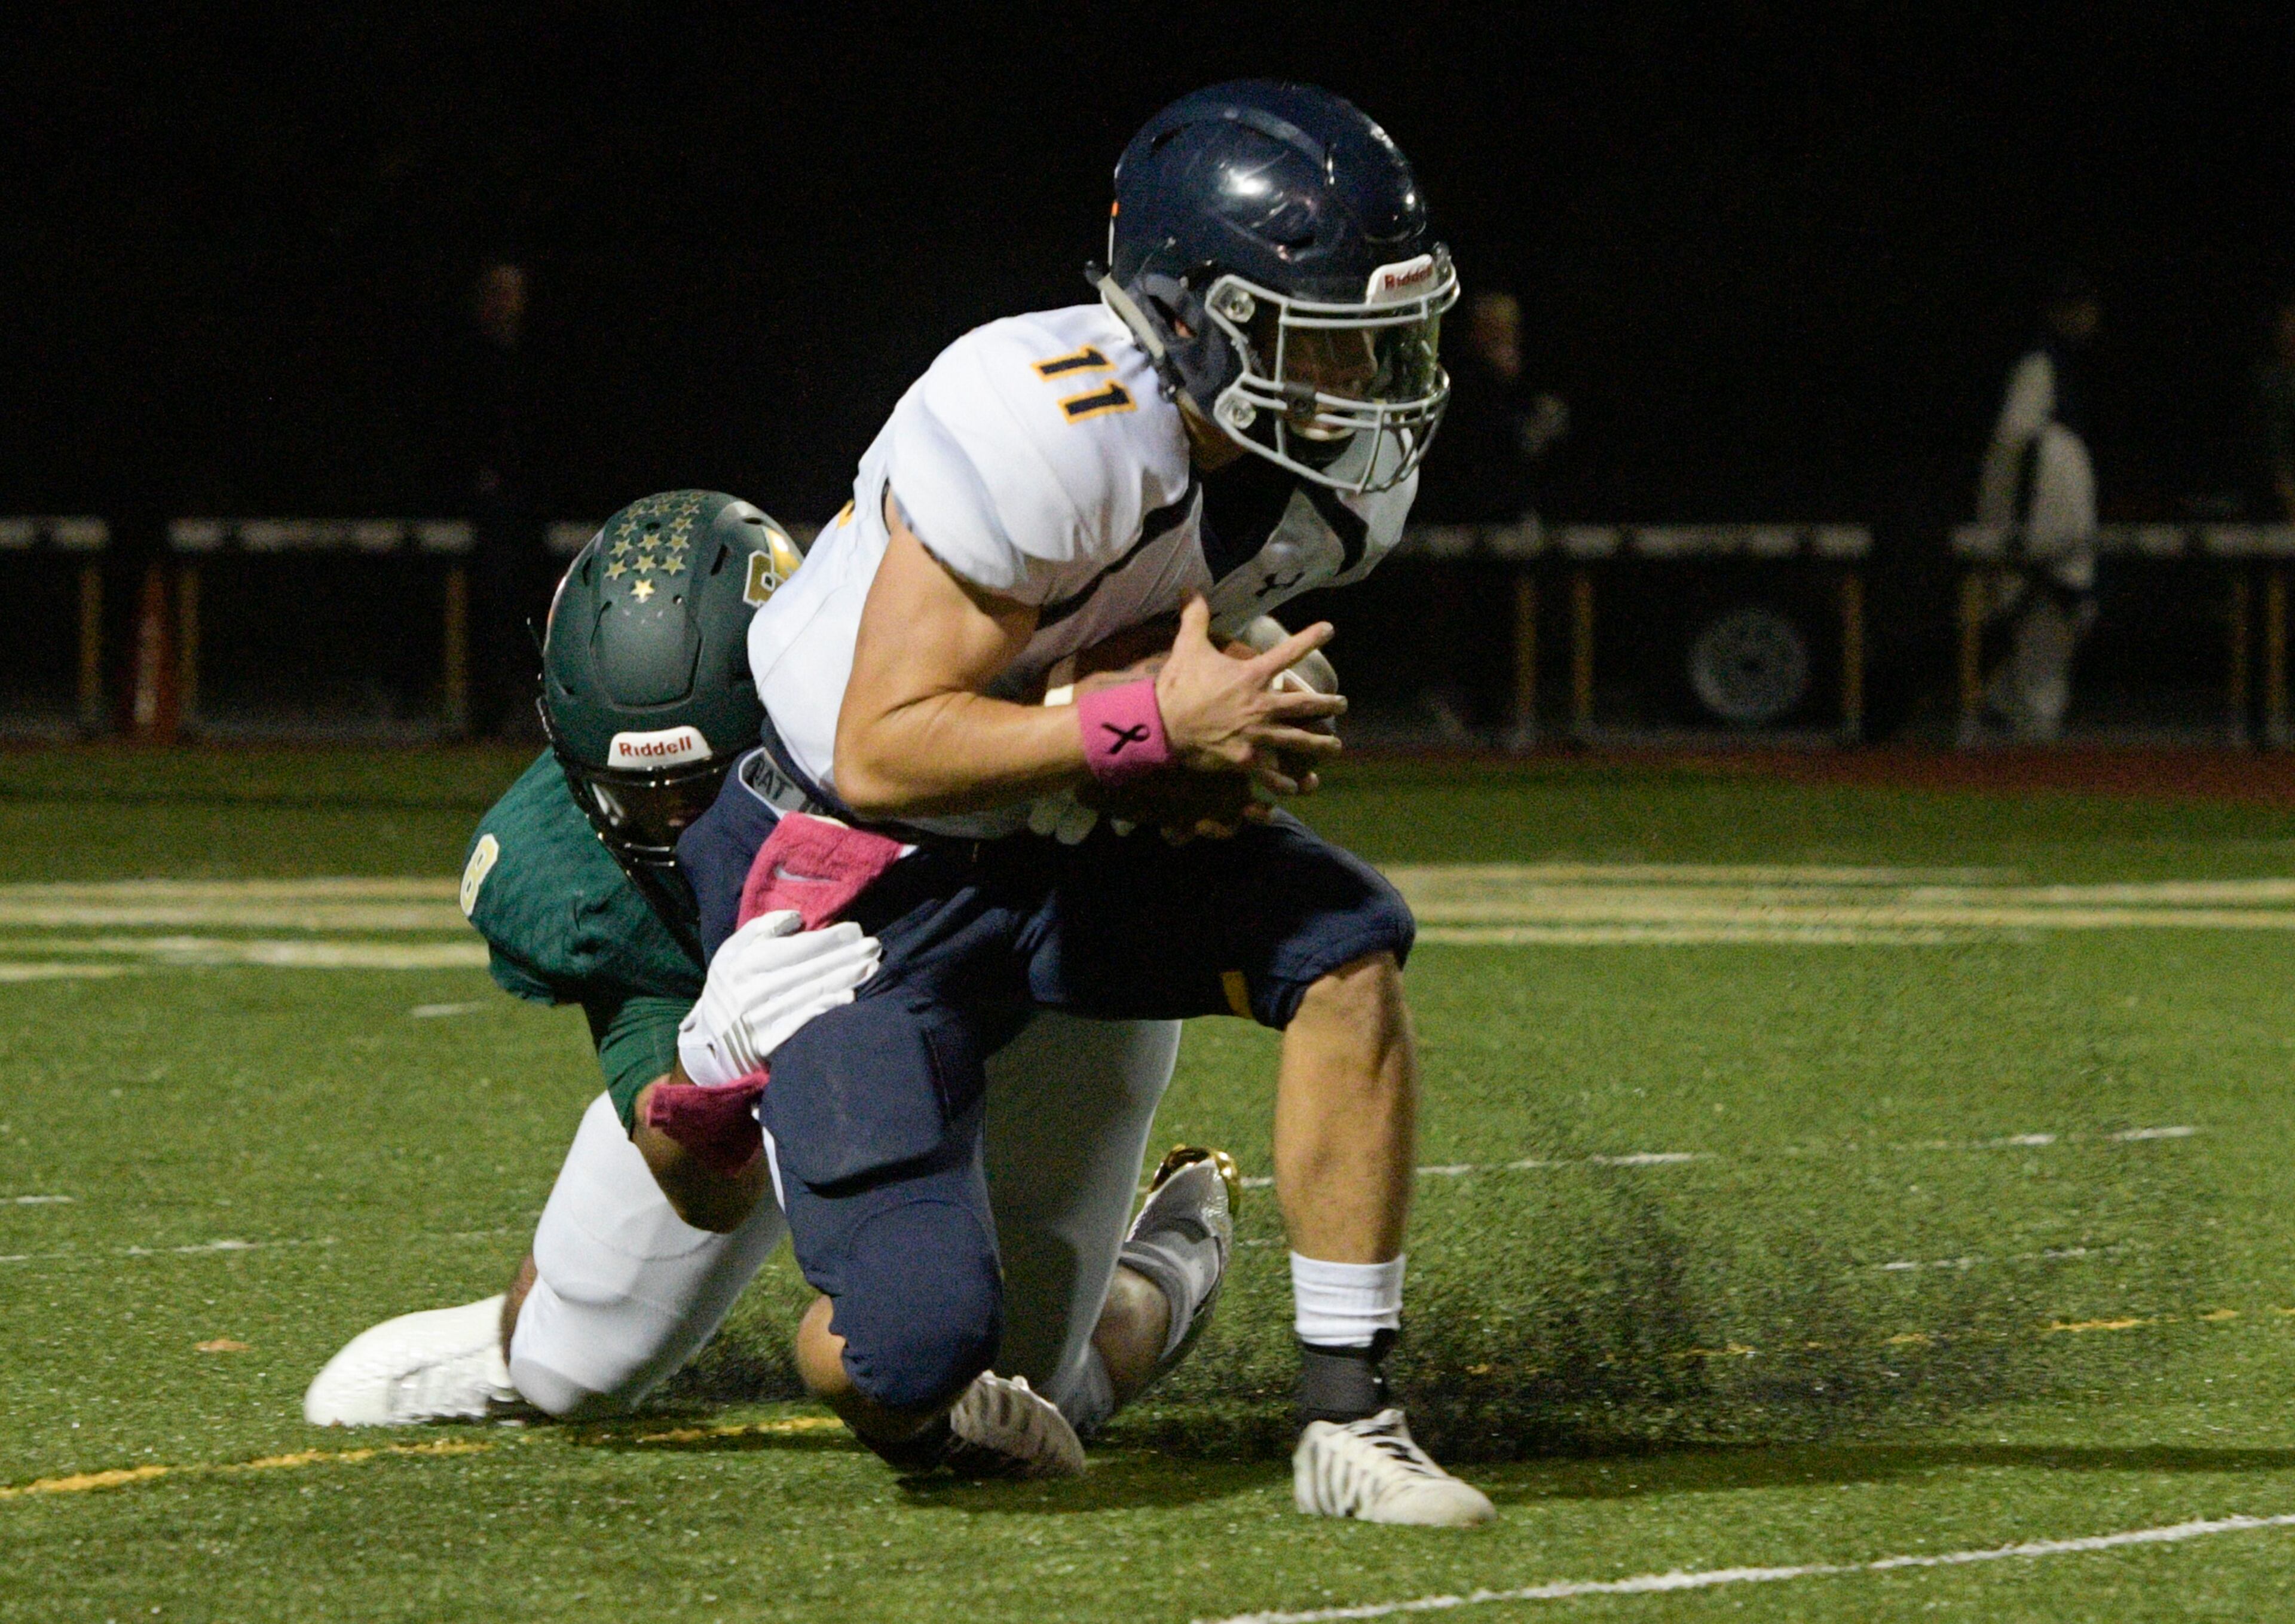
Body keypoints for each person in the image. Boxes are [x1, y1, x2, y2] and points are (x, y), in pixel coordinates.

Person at [675, 82, 1494, 1525]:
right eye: (1328, 340)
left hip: (1056, 836)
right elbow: (880, 745)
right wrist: (1147, 726)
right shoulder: (1046, 415)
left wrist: (1202, 750)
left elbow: (1127, 664)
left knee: (1343, 942)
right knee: (912, 1356)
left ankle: (1351, 1421)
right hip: (856, 884)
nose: (1374, 382)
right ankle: (1000, 1343)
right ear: (1196, 318)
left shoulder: (1324, 497)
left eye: (1385, 340)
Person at [304, 490, 1236, 1476]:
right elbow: (711, 1190)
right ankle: (513, 1338)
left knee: (1020, 1394)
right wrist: (714, 1062)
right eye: (638, 793)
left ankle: (1167, 1266)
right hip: (770, 1044)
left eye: (709, 785)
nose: (674, 825)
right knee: (567, 1369)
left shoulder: (924, 696)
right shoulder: (573, 868)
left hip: (1024, 1021)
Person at [1975, 273, 2104, 741]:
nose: (2089, 318)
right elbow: (2016, 444)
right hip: (2036, 523)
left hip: (2058, 521)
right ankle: (2023, 718)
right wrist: (2013, 525)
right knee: (2045, 611)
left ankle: (2008, 705)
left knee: (2068, 613)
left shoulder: (2062, 367)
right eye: (2078, 307)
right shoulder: (2038, 365)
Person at [2250, 292, 2295, 524]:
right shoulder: (2268, 381)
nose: (2289, 332)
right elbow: (2275, 446)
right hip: (2270, 490)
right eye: (2286, 325)